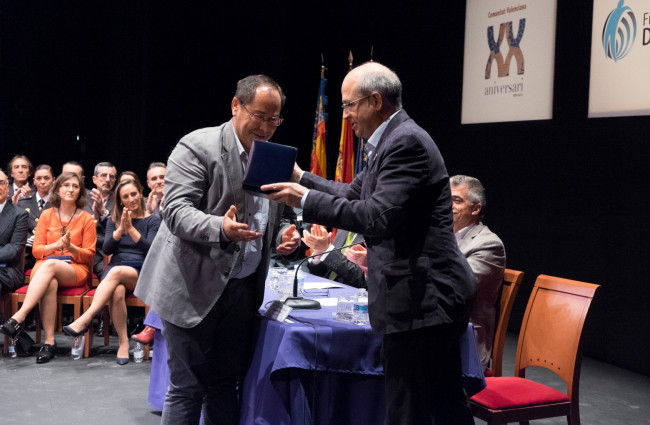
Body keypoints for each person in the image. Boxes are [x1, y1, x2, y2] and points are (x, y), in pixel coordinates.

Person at [263, 61, 476, 425]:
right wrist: (302, 177)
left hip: (424, 301)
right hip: (418, 298)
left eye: (349, 105)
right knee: (440, 407)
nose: (345, 115)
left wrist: (304, 199)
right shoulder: (388, 143)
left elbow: (376, 216)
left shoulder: (405, 143)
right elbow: (352, 192)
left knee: (412, 410)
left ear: (375, 100)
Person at [134, 74, 301, 425]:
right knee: (188, 387)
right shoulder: (198, 146)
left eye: (275, 119)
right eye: (260, 116)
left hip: (241, 290)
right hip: (192, 284)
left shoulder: (273, 154)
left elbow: (281, 209)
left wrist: (286, 230)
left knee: (226, 384)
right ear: (235, 106)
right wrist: (221, 228)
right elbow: (176, 211)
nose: (268, 127)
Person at [0, 171, 96, 364]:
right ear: (58, 189)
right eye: (66, 185)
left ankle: (19, 317)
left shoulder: (86, 218)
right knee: (49, 281)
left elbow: (89, 255)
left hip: (75, 269)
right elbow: (36, 251)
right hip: (45, 267)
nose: (70, 189)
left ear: (80, 191)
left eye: (75, 186)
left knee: (50, 265)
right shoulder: (46, 215)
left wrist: (71, 248)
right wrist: (56, 246)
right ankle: (49, 342)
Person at [64, 179, 160, 364]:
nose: (131, 199)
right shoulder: (113, 221)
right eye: (126, 196)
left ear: (141, 193)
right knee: (117, 292)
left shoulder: (153, 220)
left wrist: (131, 229)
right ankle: (123, 343)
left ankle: (86, 319)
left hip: (141, 271)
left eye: (133, 194)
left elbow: (152, 250)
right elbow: (106, 250)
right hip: (117, 270)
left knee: (115, 272)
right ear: (121, 201)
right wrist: (119, 230)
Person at [450, 174, 506, 371]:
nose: (448, 206)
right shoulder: (442, 235)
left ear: (476, 208)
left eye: (456, 200)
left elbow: (456, 288)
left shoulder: (488, 244)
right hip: (436, 331)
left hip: (462, 343)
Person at [131, 162, 167, 345]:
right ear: (148, 183)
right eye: (155, 178)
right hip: (147, 259)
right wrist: (149, 213)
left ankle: (151, 327)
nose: (160, 181)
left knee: (166, 274)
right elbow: (142, 241)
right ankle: (152, 327)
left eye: (163, 177)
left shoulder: (179, 200)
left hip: (170, 259)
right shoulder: (141, 205)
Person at [302, 224, 366, 287]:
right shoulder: (343, 229)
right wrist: (319, 253)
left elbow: (361, 279)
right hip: (324, 289)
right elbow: (324, 271)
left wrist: (326, 249)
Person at [17, 164, 54, 270]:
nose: (42, 182)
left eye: (46, 178)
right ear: (34, 181)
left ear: (54, 180)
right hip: (26, 253)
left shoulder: (60, 204)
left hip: (50, 254)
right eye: (39, 178)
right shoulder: (23, 203)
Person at [0, 170, 29, 296]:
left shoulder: (19, 214)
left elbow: (14, 250)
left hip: (7, 270)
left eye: (1, 183)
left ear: (7, 188)